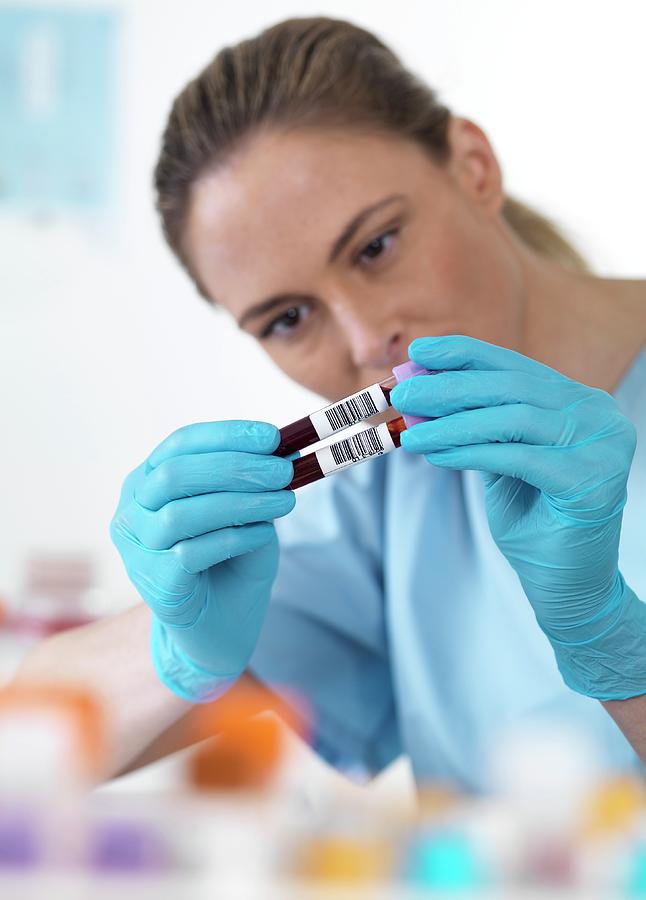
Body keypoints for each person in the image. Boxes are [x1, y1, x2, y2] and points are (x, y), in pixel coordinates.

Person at [14, 16, 646, 787]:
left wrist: (613, 643)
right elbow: (23, 739)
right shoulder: (390, 489)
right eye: (288, 319)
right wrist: (178, 655)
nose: (366, 336)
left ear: (474, 166)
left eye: (376, 246)